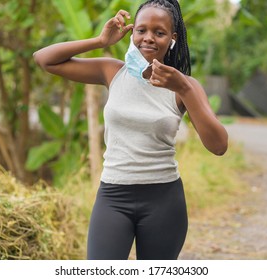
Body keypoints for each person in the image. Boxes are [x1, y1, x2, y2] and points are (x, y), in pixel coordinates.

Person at [34, 0, 228, 260]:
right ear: (132, 32)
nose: (148, 38)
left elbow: (218, 146)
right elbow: (44, 59)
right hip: (113, 195)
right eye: (141, 30)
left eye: (159, 33)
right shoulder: (112, 71)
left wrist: (183, 88)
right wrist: (100, 41)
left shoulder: (185, 86)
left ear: (172, 38)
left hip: (164, 199)